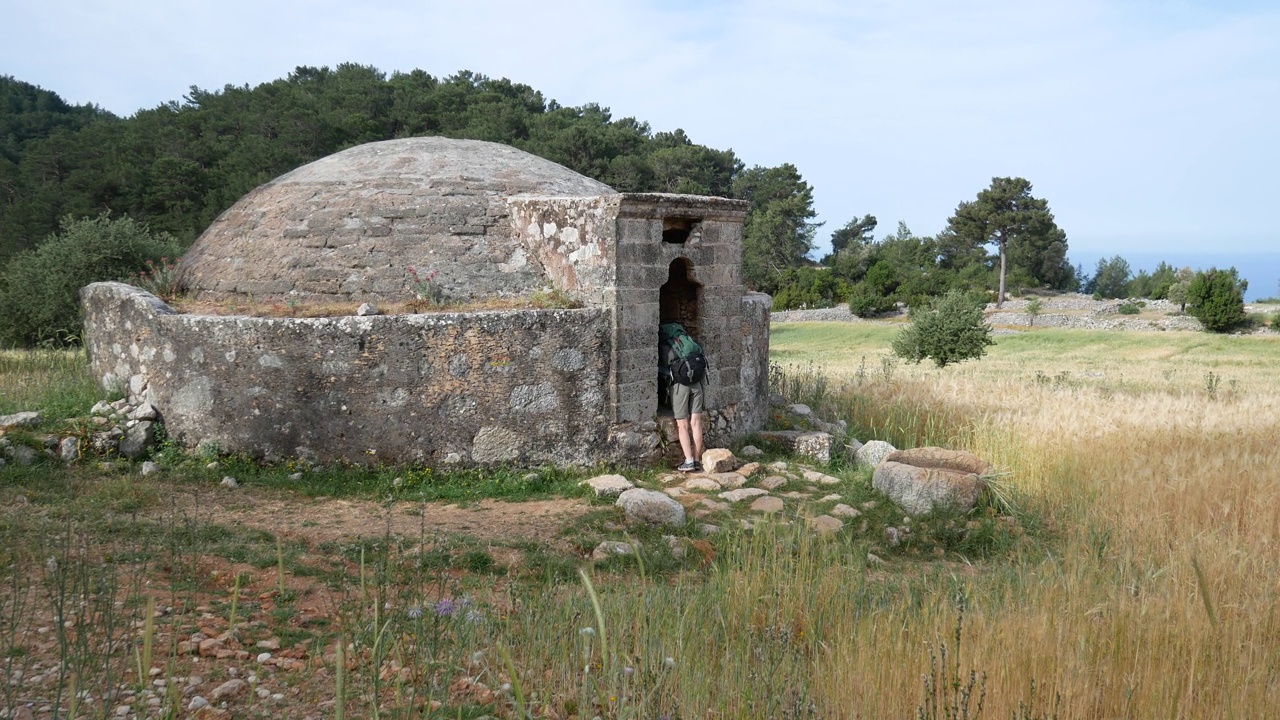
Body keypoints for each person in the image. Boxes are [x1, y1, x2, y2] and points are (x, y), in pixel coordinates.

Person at [659, 322, 708, 473]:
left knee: (682, 424)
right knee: (696, 422)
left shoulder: (667, 345)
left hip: (680, 385)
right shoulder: (688, 341)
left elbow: (664, 367)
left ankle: (688, 461)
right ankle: (697, 460)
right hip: (697, 383)